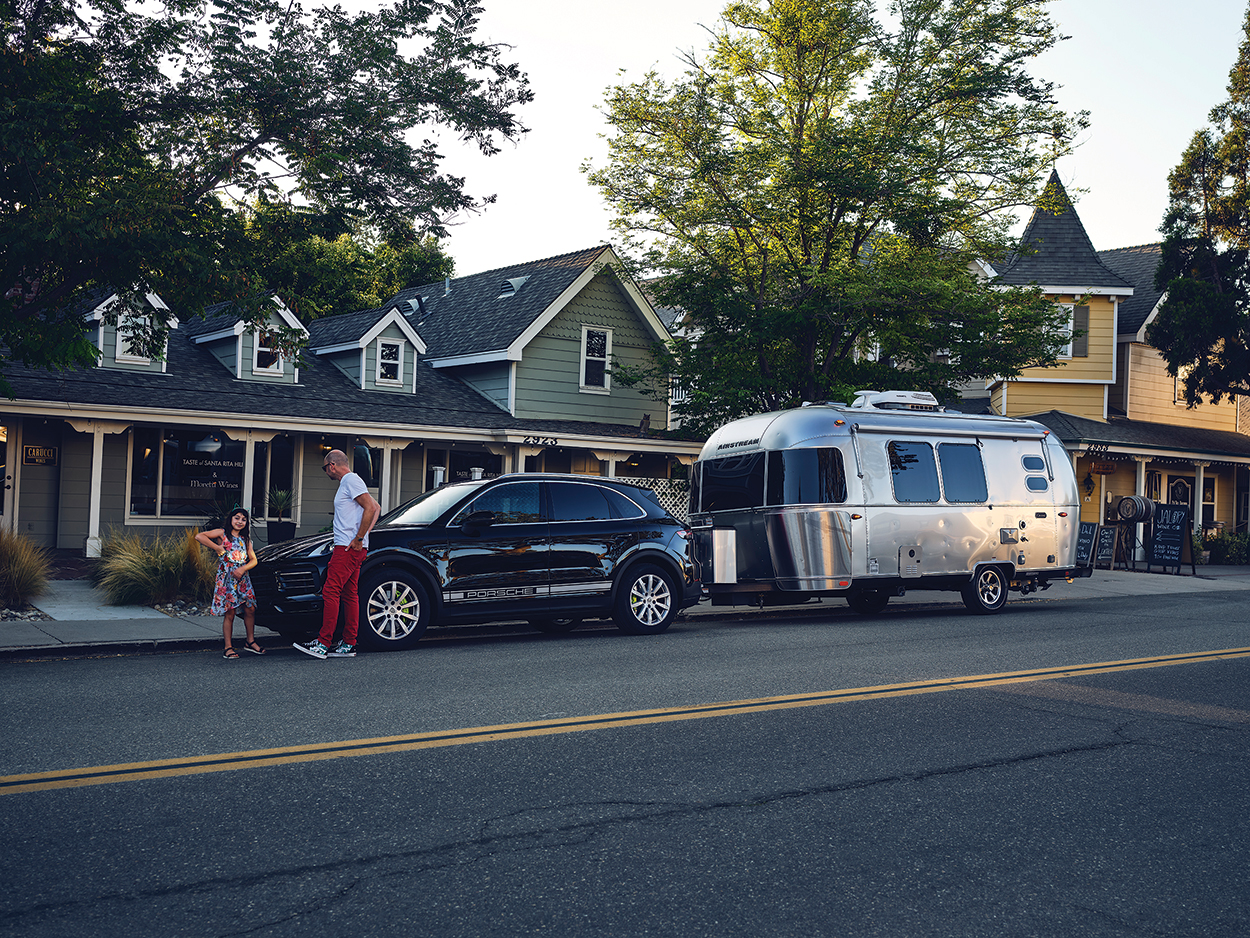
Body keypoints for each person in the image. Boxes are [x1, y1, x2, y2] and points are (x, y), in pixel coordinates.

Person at [294, 449, 380, 659]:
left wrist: (359, 538)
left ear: (332, 465)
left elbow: (370, 507)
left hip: (347, 548)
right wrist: (364, 536)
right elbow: (376, 507)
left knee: (331, 591)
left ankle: (323, 643)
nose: (326, 473)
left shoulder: (350, 480)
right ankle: (348, 643)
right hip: (353, 547)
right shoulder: (352, 482)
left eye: (325, 468)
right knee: (349, 595)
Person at [196, 507, 262, 659]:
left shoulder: (246, 539)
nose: (240, 522)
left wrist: (243, 569)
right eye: (237, 518)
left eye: (243, 519)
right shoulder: (222, 533)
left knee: (250, 609)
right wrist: (217, 547)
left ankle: (250, 642)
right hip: (227, 579)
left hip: (243, 579)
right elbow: (199, 536)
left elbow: (254, 560)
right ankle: (228, 647)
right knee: (230, 612)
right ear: (231, 519)